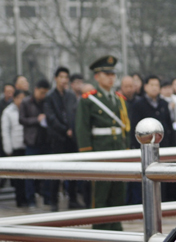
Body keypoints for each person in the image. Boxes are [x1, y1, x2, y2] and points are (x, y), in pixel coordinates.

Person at [75, 56, 131, 230]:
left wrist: (127, 150)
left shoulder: (119, 99)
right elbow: (82, 129)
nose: (111, 78)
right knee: (101, 195)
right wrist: (88, 155)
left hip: (118, 150)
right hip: (100, 151)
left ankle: (116, 229)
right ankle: (101, 232)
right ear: (97, 77)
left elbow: (125, 128)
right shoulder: (88, 100)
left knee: (118, 193)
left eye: (113, 74)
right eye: (107, 74)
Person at [128, 76, 174, 203]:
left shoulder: (163, 104)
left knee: (162, 178)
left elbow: (169, 126)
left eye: (157, 85)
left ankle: (162, 203)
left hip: (162, 148)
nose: (154, 88)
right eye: (151, 85)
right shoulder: (138, 105)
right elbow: (134, 128)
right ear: (145, 87)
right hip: (145, 149)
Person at [44, 67, 78, 211]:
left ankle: (73, 200)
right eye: (61, 77)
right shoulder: (50, 96)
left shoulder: (71, 95)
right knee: (56, 171)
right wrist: (65, 130)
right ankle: (53, 201)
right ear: (56, 78)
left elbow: (75, 114)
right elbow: (51, 118)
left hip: (71, 139)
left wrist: (73, 130)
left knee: (74, 170)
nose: (64, 80)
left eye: (66, 77)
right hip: (57, 138)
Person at [19, 79, 51, 207]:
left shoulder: (47, 101)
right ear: (36, 89)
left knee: (48, 171)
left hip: (46, 140)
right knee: (29, 172)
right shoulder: (26, 102)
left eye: (45, 93)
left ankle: (47, 198)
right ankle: (30, 199)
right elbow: (22, 119)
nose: (43, 95)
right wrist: (36, 120)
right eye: (42, 92)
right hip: (32, 141)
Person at [2, 90, 28, 207]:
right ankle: (20, 200)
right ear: (15, 98)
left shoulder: (26, 109)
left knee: (27, 176)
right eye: (20, 98)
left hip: (26, 145)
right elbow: (5, 131)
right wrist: (8, 149)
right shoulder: (8, 112)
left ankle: (27, 198)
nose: (22, 101)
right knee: (18, 177)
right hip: (15, 147)